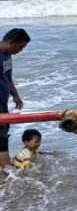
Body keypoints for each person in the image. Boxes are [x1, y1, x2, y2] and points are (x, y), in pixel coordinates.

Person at [0, 28, 30, 178]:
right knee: (1, 135)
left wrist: (16, 96)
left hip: (2, 102)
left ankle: (4, 167)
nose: (20, 51)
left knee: (3, 133)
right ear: (11, 42)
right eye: (20, 47)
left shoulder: (7, 56)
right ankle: (6, 171)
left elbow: (8, 77)